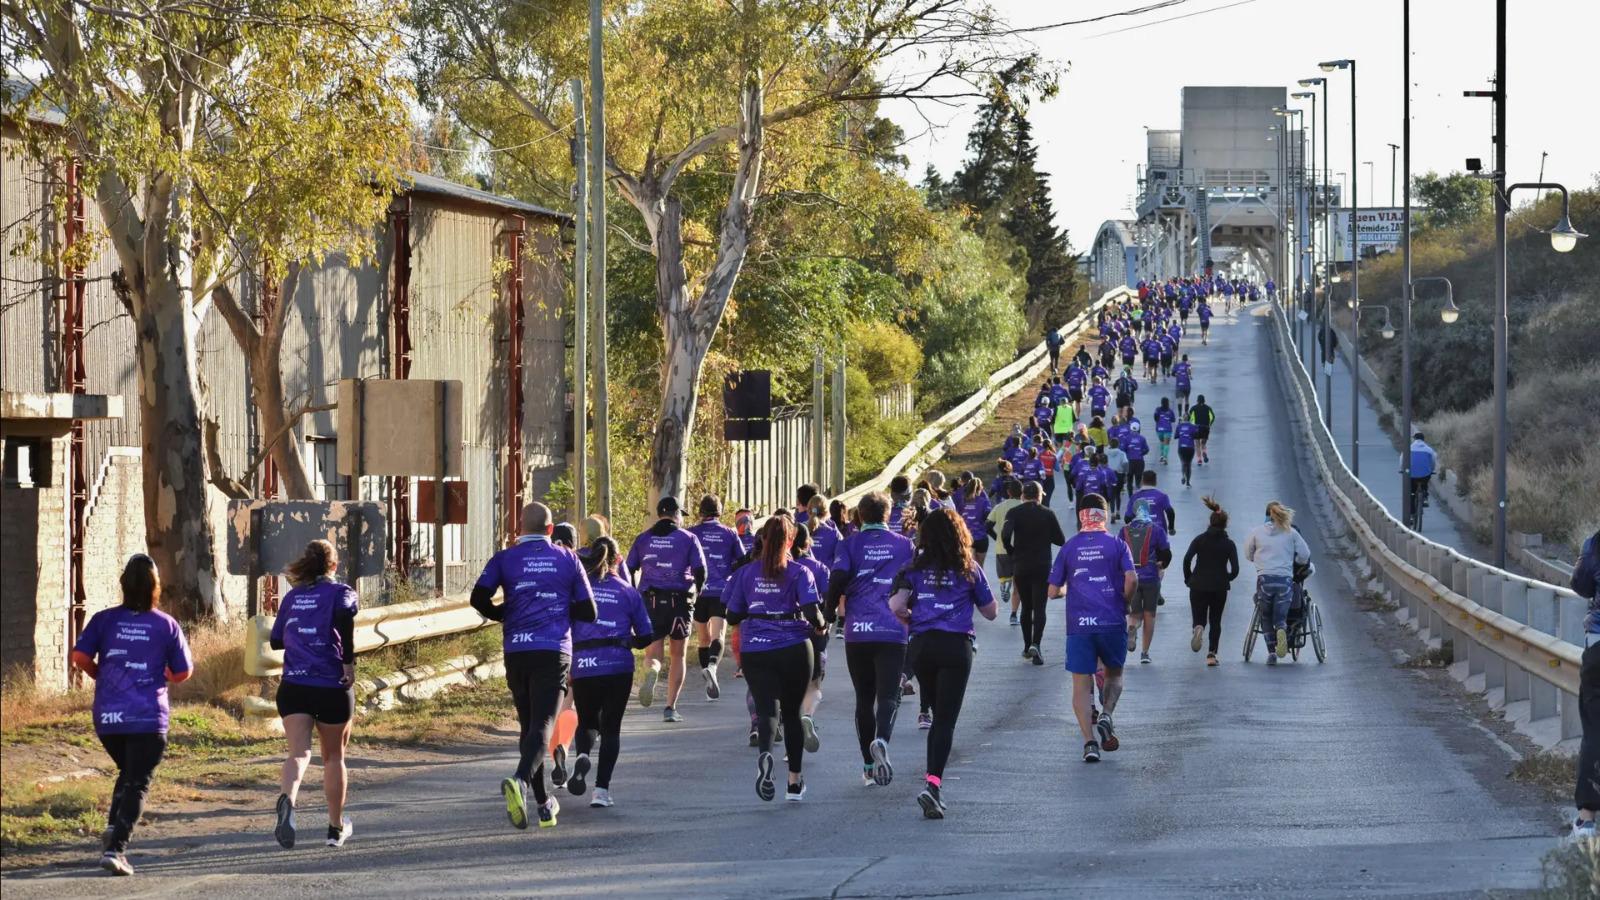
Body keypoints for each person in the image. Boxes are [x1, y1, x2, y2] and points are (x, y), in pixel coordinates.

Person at [473, 502, 597, 829]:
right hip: (553, 650)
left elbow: (478, 598)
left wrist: (506, 614)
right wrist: (560, 608)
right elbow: (589, 611)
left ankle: (543, 805)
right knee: (543, 726)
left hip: (517, 650)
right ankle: (520, 781)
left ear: (519, 529)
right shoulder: (567, 558)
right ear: (551, 530)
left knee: (529, 728)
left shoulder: (505, 558)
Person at [70, 554, 193, 876]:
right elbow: (183, 672)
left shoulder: (104, 620)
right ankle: (116, 849)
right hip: (148, 717)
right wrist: (161, 673)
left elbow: (79, 656)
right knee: (138, 781)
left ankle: (113, 826)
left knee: (128, 772)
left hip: (108, 718)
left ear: (123, 584)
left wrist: (102, 675)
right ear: (156, 587)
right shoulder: (165, 624)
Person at [888, 509, 999, 819]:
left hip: (923, 646)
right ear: (959, 535)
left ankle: (932, 785)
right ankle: (933, 784)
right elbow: (990, 612)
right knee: (945, 722)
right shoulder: (969, 568)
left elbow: (895, 603)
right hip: (956, 647)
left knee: (936, 712)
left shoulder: (913, 568)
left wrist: (906, 616)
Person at [724, 516, 825, 801]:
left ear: (762, 540)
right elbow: (811, 611)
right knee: (792, 713)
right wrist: (820, 625)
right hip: (794, 646)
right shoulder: (799, 571)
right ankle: (794, 782)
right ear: (791, 541)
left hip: (755, 648)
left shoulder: (746, 573)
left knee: (768, 710)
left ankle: (766, 756)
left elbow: (732, 614)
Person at [269, 540, 358, 850]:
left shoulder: (292, 597)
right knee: (333, 757)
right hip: (331, 684)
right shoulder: (341, 593)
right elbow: (346, 621)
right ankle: (335, 829)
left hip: (293, 686)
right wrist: (348, 663)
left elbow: (276, 641)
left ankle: (288, 800)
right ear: (333, 566)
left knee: (298, 753)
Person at [827, 491, 916, 787]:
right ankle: (882, 740)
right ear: (888, 515)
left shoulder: (848, 543)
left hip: (858, 629)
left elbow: (837, 579)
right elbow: (914, 583)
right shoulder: (905, 545)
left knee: (864, 700)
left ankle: (867, 765)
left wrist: (828, 614)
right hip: (893, 630)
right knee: (889, 696)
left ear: (861, 516)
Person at [1049, 494, 1136, 763]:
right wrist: (1124, 601)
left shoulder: (1069, 547)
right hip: (1112, 621)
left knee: (1080, 686)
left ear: (1081, 516)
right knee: (1114, 674)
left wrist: (1067, 589)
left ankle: (1089, 743)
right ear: (1105, 515)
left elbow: (1052, 591)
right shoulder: (1118, 544)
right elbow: (1132, 578)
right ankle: (1107, 713)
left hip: (1079, 625)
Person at [567, 537, 654, 808]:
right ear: (618, 560)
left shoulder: (579, 590)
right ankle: (601, 791)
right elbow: (647, 635)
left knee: (587, 720)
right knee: (611, 728)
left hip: (584, 663)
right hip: (618, 665)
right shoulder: (628, 592)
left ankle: (582, 754)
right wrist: (628, 642)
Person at [626, 496, 708, 722]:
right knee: (678, 654)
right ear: (675, 514)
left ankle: (652, 671)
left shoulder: (642, 539)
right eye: (681, 514)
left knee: (653, 654)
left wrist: (635, 594)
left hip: (650, 602)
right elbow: (701, 572)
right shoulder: (688, 538)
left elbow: (629, 568)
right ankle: (671, 707)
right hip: (680, 602)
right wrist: (696, 594)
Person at [1002, 481, 1067, 666]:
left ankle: (1026, 646)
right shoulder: (1047, 513)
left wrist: (1011, 550)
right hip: (1042, 565)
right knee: (1040, 607)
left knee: (1026, 607)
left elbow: (1005, 534)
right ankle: (1036, 644)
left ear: (1023, 495)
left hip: (1021, 564)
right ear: (1040, 496)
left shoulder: (1013, 512)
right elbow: (1060, 539)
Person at [1242, 502, 1313, 666]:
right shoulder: (1291, 532)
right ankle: (1281, 628)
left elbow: (1248, 554)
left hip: (1265, 579)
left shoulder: (1257, 532)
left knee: (1265, 616)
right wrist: (1297, 561)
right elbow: (1305, 554)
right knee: (1280, 616)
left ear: (1267, 515)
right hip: (1284, 580)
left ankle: (1272, 652)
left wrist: (1259, 559)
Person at [688, 496, 741, 701]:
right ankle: (712, 666)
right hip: (721, 591)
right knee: (717, 635)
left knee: (702, 638)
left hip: (698, 591)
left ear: (700, 512)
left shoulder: (691, 533)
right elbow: (742, 559)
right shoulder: (730, 533)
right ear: (720, 511)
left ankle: (708, 682)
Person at [1182, 497, 1240, 666]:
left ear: (1210, 522)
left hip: (1198, 584)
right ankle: (1211, 654)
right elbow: (1235, 570)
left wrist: (1189, 578)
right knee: (1216, 620)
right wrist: (1225, 578)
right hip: (1219, 587)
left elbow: (1187, 559)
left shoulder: (1199, 539)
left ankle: (1198, 628)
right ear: (1225, 524)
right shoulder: (1229, 544)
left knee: (1199, 616)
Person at [790, 524, 831, 754]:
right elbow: (826, 599)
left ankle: (787, 731)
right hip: (814, 631)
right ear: (808, 543)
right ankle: (807, 715)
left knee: (789, 686)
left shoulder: (778, 565)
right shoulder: (817, 568)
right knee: (813, 685)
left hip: (784, 631)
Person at [1119, 502, 1172, 664]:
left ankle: (1132, 627)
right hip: (1150, 577)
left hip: (1131, 577)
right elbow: (1166, 553)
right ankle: (1145, 653)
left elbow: (1118, 553)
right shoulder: (1156, 530)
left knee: (1134, 614)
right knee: (1150, 615)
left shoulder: (1124, 530)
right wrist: (1162, 564)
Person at [1572, 529, 1599, 840]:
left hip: (1599, 647)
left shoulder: (1595, 544)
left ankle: (1586, 821)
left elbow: (1580, 584)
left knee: (1594, 729)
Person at [987, 478, 1026, 626]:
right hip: (1020, 551)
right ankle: (1014, 615)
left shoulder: (999, 507)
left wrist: (997, 538)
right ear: (1021, 493)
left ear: (1008, 492)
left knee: (1004, 575)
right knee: (1018, 586)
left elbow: (987, 525)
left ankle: (1004, 583)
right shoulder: (1024, 507)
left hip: (1001, 549)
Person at [957, 471, 994, 565]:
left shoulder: (962, 502)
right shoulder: (984, 502)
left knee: (969, 566)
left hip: (967, 537)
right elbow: (989, 518)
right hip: (981, 538)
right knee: (980, 567)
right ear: (980, 489)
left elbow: (957, 518)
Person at [1125, 470, 1177, 535]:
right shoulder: (1162, 496)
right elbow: (1170, 512)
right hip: (1159, 531)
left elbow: (1127, 518)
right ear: (1155, 481)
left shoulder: (1135, 497)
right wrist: (1171, 528)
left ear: (1142, 481)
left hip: (1140, 533)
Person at [1407, 432, 1438, 523]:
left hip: (1411, 474)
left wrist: (1402, 469)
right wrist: (1431, 470)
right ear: (1423, 440)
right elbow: (1433, 461)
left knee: (1411, 493)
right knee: (1425, 484)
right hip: (1425, 475)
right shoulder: (1429, 449)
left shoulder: (1409, 448)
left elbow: (1402, 460)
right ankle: (1424, 498)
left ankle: (1412, 516)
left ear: (1414, 439)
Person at [1188, 395, 1216, 466]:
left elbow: (1189, 418)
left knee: (1197, 445)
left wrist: (1192, 425)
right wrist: (1209, 424)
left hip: (1197, 428)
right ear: (1204, 400)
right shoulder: (1208, 408)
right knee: (1203, 443)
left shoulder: (1193, 408)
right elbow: (1213, 417)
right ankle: (1204, 451)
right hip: (1205, 428)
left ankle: (1199, 460)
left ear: (1197, 400)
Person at [1105, 438, 1129, 520]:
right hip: (1119, 474)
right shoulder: (1122, 454)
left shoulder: (1106, 453)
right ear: (1118, 444)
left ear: (1110, 445)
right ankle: (1118, 512)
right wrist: (1125, 474)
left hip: (1109, 475)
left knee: (1111, 495)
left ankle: (1112, 514)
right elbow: (1125, 463)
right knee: (1118, 494)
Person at [1174, 416, 1199, 487]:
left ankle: (1183, 476)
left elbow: (1176, 436)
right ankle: (1188, 482)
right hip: (1190, 447)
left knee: (1183, 462)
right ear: (1190, 418)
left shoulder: (1179, 426)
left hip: (1181, 447)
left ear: (1183, 418)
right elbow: (1196, 436)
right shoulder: (1193, 426)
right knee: (1189, 464)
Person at [1154, 399, 1176, 465]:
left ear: (1161, 403)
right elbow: (1173, 420)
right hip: (1167, 429)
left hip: (1159, 429)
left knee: (1162, 442)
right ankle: (1165, 457)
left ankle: (1161, 455)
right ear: (1168, 403)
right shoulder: (1170, 411)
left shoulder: (1158, 410)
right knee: (1166, 444)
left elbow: (1155, 418)